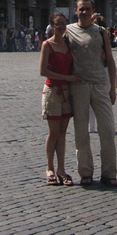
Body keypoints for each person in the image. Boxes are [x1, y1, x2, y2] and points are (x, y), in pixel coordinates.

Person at [65, 0, 117, 188]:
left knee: (107, 130)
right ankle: (86, 172)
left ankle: (109, 172)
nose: (84, 12)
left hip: (99, 85)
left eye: (88, 9)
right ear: (75, 10)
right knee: (81, 132)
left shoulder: (101, 31)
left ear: (93, 11)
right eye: (81, 9)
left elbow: (110, 60)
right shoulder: (68, 30)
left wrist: (113, 87)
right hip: (79, 86)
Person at [39, 12, 81, 185]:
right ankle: (49, 168)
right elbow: (43, 71)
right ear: (52, 26)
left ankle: (61, 169)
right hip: (52, 92)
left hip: (66, 92)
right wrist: (67, 79)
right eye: (58, 24)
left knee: (62, 134)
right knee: (54, 132)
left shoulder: (68, 44)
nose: (62, 27)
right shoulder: (47, 45)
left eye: (64, 23)